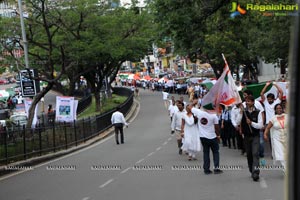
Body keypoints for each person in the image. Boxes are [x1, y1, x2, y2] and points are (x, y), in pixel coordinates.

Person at [191, 100, 223, 175]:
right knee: (215, 152)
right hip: (212, 137)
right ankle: (216, 168)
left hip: (203, 137)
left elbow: (189, 107)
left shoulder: (199, 112)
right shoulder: (214, 116)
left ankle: (206, 169)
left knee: (206, 152)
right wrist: (218, 136)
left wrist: (193, 103)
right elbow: (217, 127)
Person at [240, 96, 264, 182]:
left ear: (253, 102)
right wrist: (240, 113)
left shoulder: (258, 112)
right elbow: (238, 121)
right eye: (246, 101)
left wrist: (251, 123)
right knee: (249, 154)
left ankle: (256, 172)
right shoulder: (243, 112)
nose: (247, 103)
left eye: (249, 101)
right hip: (246, 136)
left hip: (255, 136)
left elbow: (260, 125)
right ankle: (251, 169)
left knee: (255, 153)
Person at [263, 104, 287, 171]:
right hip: (277, 139)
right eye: (277, 108)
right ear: (275, 110)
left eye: (280, 108)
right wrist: (265, 134)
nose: (279, 109)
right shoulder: (273, 118)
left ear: (282, 109)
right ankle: (285, 169)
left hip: (287, 138)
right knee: (281, 155)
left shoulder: (287, 116)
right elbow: (268, 128)